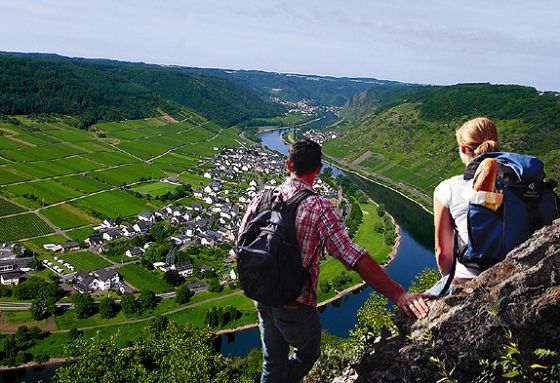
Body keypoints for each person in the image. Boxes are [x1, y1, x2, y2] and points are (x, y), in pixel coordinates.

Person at [238, 139, 432, 383]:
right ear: (318, 169)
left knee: (272, 361)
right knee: (309, 353)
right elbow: (354, 256)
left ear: (288, 164)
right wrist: (398, 294)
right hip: (293, 304)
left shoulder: (261, 199)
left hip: (261, 296)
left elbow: (242, 244)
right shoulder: (318, 207)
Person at [432, 117, 500, 291]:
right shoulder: (520, 182)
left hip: (468, 280)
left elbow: (443, 252)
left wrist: (447, 282)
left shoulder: (448, 189)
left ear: (463, 149)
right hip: (518, 268)